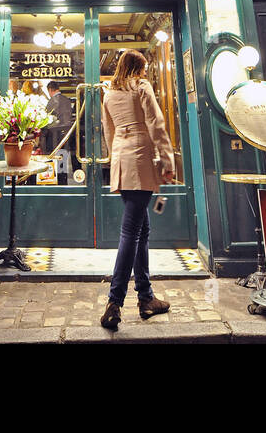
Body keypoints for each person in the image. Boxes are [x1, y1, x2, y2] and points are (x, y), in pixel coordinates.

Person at [99, 49, 174, 330]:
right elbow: (156, 123)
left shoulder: (109, 92)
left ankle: (146, 298)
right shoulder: (141, 87)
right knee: (131, 231)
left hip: (121, 158)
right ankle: (114, 302)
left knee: (142, 229)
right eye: (143, 69)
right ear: (138, 68)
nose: (144, 74)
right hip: (141, 158)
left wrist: (113, 157)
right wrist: (167, 159)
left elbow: (108, 131)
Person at [43, 80, 75, 183]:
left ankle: (52, 182)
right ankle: (63, 181)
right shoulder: (67, 100)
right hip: (66, 134)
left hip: (54, 136)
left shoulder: (52, 101)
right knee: (63, 160)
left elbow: (47, 120)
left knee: (51, 159)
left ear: (50, 90)